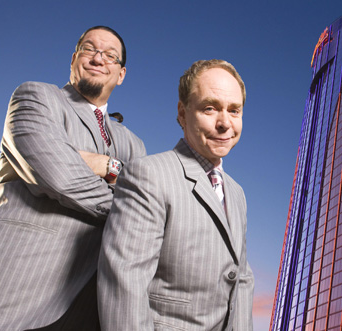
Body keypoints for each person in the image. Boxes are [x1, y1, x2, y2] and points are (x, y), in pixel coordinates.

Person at [0, 26, 146, 330]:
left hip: (98, 304)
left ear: (121, 74)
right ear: (74, 58)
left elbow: (147, 203)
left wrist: (106, 165)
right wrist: (127, 205)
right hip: (23, 288)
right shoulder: (35, 96)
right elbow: (60, 177)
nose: (98, 58)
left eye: (110, 55)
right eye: (89, 49)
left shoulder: (135, 144)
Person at [98, 59, 254, 330]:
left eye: (234, 110)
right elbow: (124, 286)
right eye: (210, 108)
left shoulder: (237, 193)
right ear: (182, 113)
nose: (225, 123)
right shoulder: (147, 175)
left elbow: (240, 281)